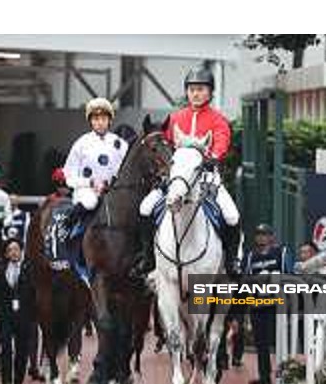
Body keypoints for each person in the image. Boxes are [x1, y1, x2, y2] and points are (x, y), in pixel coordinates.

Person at [134, 66, 242, 277]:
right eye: (192, 89)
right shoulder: (175, 119)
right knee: (145, 208)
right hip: (176, 179)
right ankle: (148, 258)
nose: (196, 93)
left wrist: (214, 157)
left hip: (207, 179)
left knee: (232, 215)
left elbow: (221, 144)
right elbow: (164, 146)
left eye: (201, 89)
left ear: (210, 93)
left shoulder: (218, 120)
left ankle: (231, 262)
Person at [62, 98, 129, 231]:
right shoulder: (81, 143)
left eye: (103, 119)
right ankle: (67, 227)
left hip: (113, 191)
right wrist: (91, 183)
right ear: (90, 121)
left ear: (110, 121)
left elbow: (125, 172)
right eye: (96, 119)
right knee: (90, 202)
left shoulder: (120, 144)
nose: (100, 123)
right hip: (86, 191)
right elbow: (69, 177)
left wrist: (110, 185)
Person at [242, 224, 294, 384]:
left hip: (276, 304)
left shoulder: (281, 252)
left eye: (265, 234)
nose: (261, 237)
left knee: (281, 340)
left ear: (272, 236)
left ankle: (286, 374)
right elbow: (245, 279)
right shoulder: (251, 256)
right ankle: (264, 376)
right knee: (261, 343)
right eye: (258, 234)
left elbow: (289, 275)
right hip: (257, 304)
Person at [0, 238, 38, 384]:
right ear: (6, 254)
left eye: (16, 249)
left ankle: (18, 382)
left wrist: (34, 314)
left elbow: (35, 293)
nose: (13, 252)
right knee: (5, 349)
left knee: (22, 351)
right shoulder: (0, 270)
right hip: (5, 316)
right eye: (10, 250)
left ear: (21, 252)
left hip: (24, 317)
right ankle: (6, 383)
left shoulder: (29, 269)